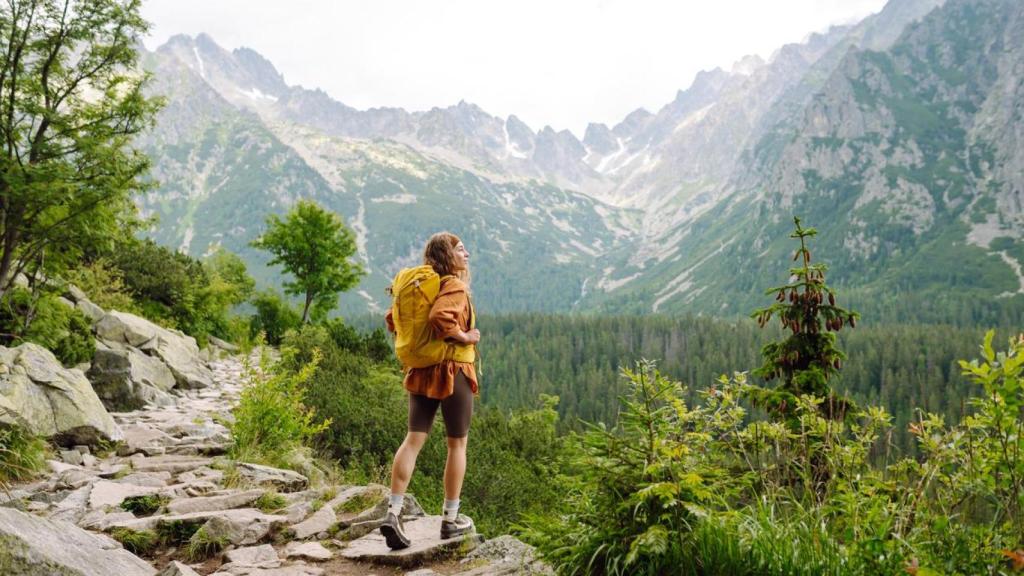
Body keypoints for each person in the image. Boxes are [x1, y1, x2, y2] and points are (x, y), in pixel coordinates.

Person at [380, 232, 480, 550]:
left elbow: (392, 320)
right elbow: (440, 317)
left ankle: (393, 511)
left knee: (413, 440)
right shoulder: (454, 285)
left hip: (421, 371)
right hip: (454, 371)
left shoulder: (419, 286)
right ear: (447, 256)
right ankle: (450, 520)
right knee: (457, 445)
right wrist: (465, 336)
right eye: (460, 250)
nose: (466, 254)